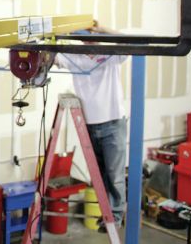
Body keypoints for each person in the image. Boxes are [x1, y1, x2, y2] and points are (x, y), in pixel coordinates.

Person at [54, 22, 128, 232]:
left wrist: (105, 29)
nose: (88, 41)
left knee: (114, 174)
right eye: (84, 37)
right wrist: (55, 34)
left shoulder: (111, 54)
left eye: (90, 36)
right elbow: (50, 57)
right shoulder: (75, 57)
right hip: (88, 125)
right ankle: (106, 214)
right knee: (100, 173)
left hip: (113, 122)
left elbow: (134, 42)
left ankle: (114, 216)